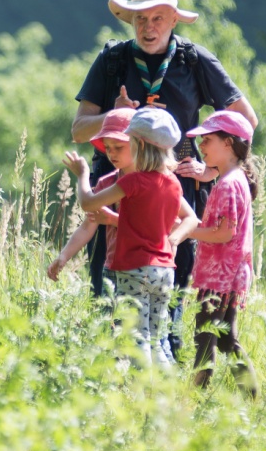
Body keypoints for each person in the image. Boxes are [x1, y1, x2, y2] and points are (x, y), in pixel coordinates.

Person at [72, 0, 256, 357]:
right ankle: (111, 369)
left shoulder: (194, 61)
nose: (148, 26)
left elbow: (245, 120)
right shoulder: (112, 61)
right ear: (130, 21)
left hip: (176, 192)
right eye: (140, 18)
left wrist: (212, 169)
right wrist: (115, 114)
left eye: (158, 18)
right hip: (118, 190)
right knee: (107, 283)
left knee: (172, 279)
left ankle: (164, 356)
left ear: (174, 20)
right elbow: (78, 129)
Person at [65, 107, 198, 366]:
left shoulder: (133, 182)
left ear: (138, 144)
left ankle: (143, 399)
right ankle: (166, 395)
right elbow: (192, 218)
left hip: (133, 270)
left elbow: (88, 203)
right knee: (157, 340)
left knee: (137, 341)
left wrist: (82, 175)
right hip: (164, 271)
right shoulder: (172, 182)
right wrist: (173, 240)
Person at [183, 110, 261, 391]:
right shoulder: (235, 178)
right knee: (227, 339)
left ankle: (194, 398)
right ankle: (251, 397)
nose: (201, 146)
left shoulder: (227, 184)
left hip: (219, 280)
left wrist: (185, 231)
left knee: (205, 336)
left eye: (207, 140)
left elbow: (225, 233)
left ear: (228, 143)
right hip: (229, 277)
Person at [48, 108, 134, 281]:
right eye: (107, 148)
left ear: (140, 144)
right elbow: (88, 225)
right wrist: (64, 255)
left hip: (145, 269)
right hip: (113, 268)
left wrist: (83, 176)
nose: (112, 153)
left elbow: (158, 227)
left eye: (118, 147)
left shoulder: (154, 181)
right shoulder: (107, 182)